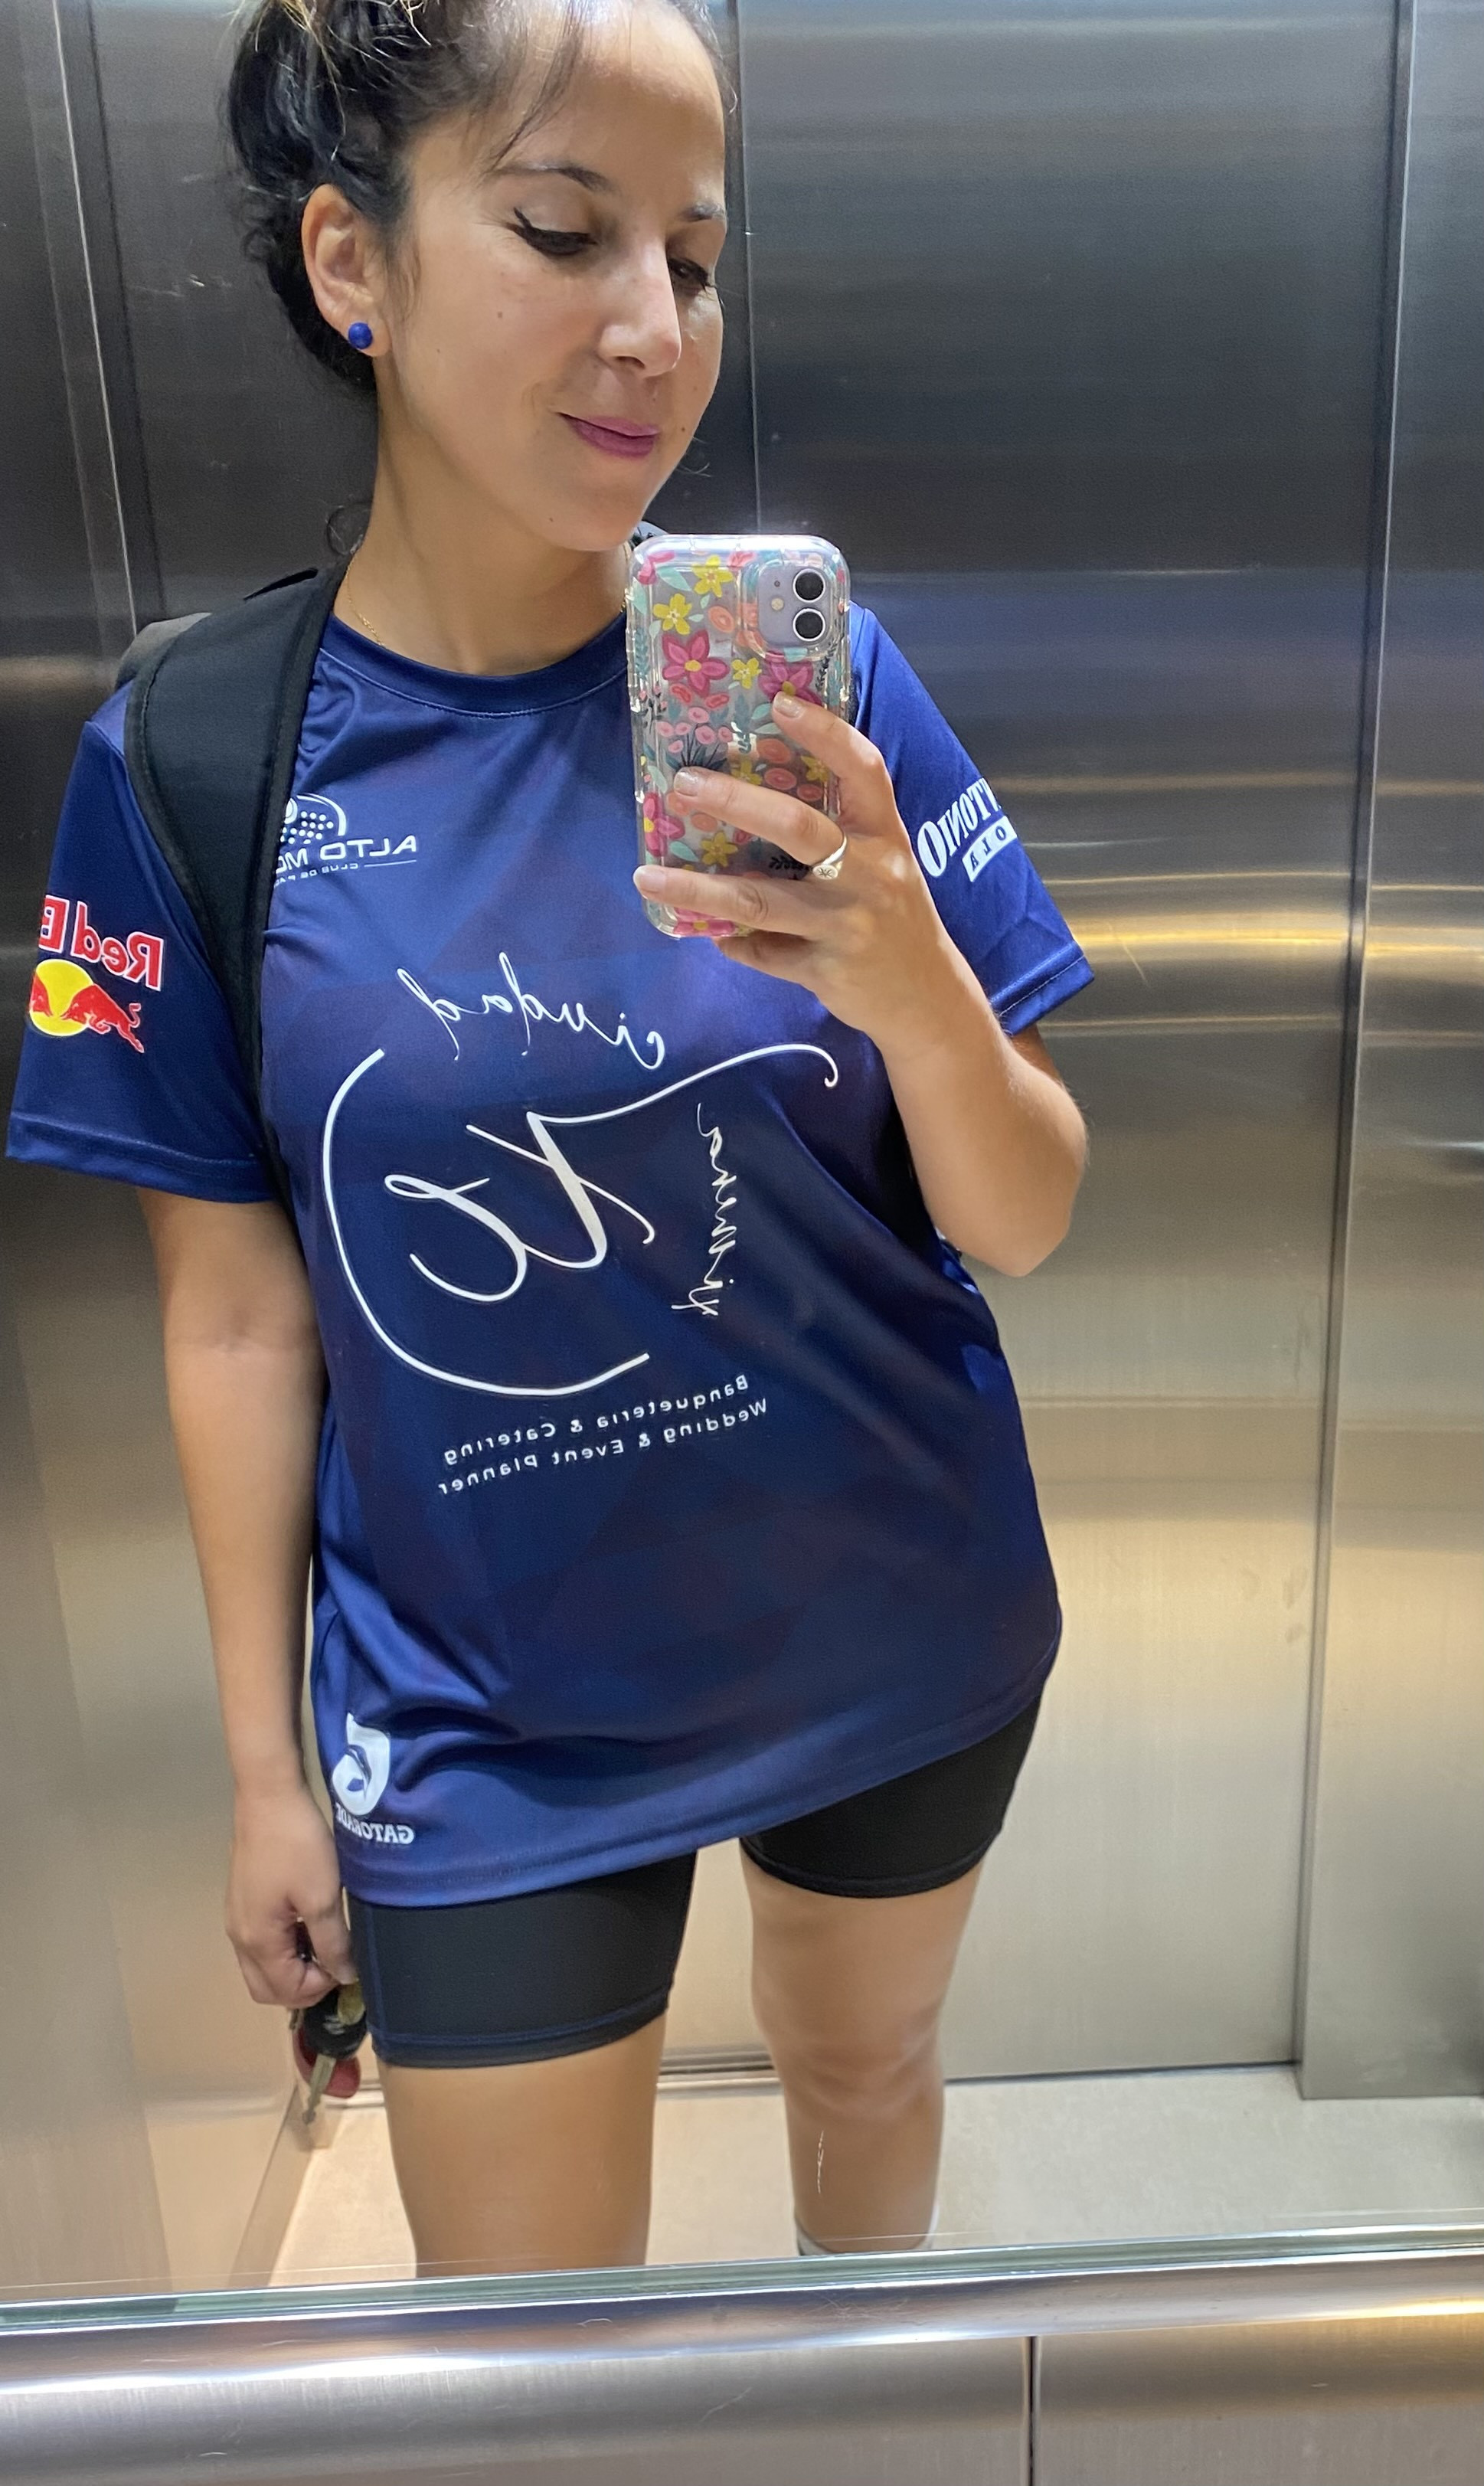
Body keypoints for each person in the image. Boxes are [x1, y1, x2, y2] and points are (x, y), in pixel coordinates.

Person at [7, 0, 1091, 2278]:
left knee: (866, 2088)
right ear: (354, 262)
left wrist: (911, 987)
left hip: (889, 1610)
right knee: (528, 2334)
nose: (651, 332)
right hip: (476, 1707)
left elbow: (1027, 1209)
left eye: (692, 258)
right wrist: (262, 1774)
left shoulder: (812, 694)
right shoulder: (190, 757)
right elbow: (234, 1320)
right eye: (562, 230)